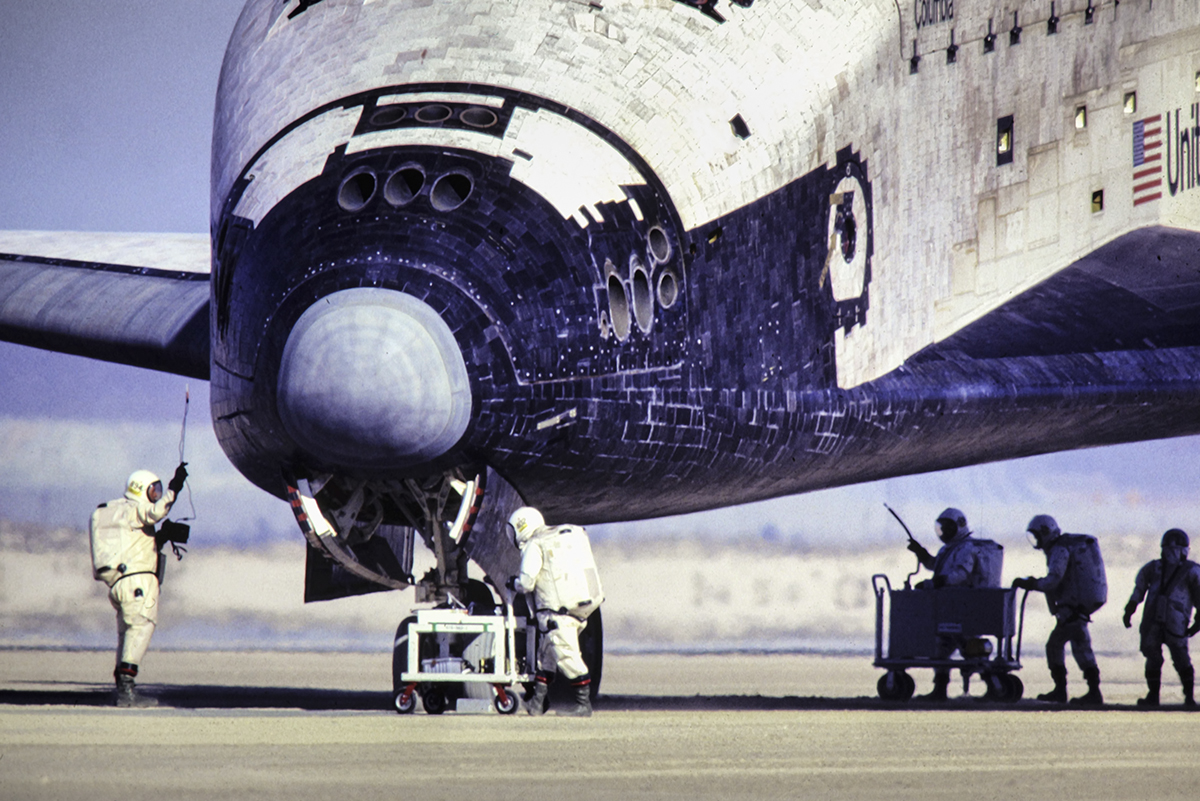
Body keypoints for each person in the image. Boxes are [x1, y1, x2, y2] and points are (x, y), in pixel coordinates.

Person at [89, 463, 187, 707]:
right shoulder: (134, 510)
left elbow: (132, 543)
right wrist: (174, 488)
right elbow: (156, 512)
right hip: (137, 581)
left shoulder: (114, 512)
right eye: (153, 490)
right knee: (141, 627)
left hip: (120, 583)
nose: (155, 495)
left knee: (128, 631)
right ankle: (126, 689)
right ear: (141, 490)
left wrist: (159, 538)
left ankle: (122, 685)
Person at [505, 506, 604, 717]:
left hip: (555, 616)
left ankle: (583, 704)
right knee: (546, 658)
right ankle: (537, 703)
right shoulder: (559, 537)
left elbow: (527, 582)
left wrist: (513, 583)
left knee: (567, 657)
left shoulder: (535, 544)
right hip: (579, 610)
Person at [1012, 514, 1107, 705]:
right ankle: (1090, 691)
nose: (1037, 540)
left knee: (1057, 646)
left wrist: (1031, 583)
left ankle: (1067, 690)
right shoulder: (1062, 548)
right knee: (1080, 648)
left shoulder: (1059, 550)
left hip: (1072, 610)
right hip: (1074, 609)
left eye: (1038, 535)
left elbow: (1053, 580)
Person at [906, 507, 996, 701]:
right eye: (942, 528)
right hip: (951, 610)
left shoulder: (966, 549)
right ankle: (940, 690)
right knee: (941, 649)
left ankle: (994, 685)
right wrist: (920, 553)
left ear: (959, 527)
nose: (944, 532)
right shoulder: (950, 548)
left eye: (948, 528)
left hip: (964, 609)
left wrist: (936, 583)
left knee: (969, 649)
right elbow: (934, 565)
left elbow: (960, 574)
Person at [1123, 528, 1200, 707]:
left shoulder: (1187, 570)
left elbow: (1139, 589)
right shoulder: (1160, 568)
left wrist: (1131, 608)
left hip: (1169, 620)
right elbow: (1139, 588)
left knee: (1170, 657)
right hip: (1165, 620)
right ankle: (1178, 696)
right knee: (1163, 656)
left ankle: (1176, 696)